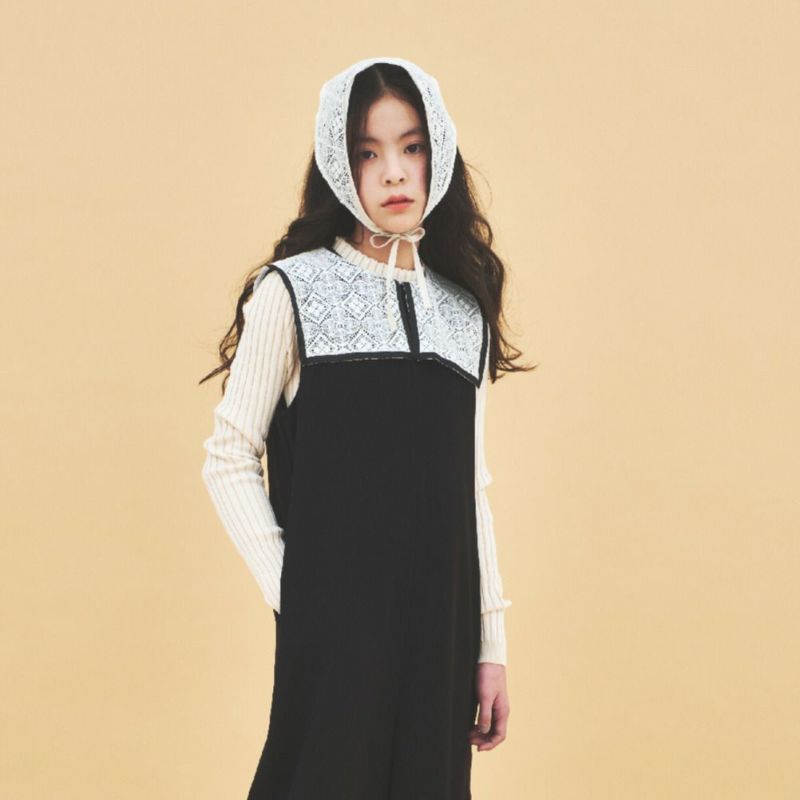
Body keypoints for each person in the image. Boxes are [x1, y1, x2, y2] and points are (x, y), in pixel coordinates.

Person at [199, 55, 534, 799]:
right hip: (334, 630)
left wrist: (491, 645)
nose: (394, 173)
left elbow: (470, 488)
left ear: (437, 152)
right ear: (338, 163)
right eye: (368, 153)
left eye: (411, 147)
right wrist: (297, 591)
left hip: (442, 633)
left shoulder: (463, 314)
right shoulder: (292, 290)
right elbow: (228, 455)